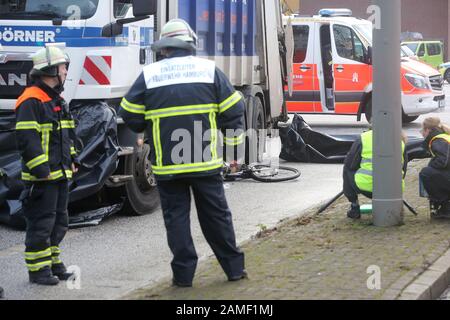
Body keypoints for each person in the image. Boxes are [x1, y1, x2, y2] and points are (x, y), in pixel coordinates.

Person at [119, 19, 246, 287]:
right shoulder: (209, 70)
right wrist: (232, 147)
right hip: (205, 162)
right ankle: (234, 269)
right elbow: (234, 109)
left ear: (164, 47)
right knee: (216, 217)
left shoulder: (150, 74)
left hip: (168, 166)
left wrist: (147, 126)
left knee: (176, 221)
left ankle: (184, 277)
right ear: (190, 44)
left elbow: (127, 111)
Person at [15, 46, 78, 285]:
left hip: (58, 174)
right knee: (41, 224)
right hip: (42, 178)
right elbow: (27, 140)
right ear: (51, 70)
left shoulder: (56, 99)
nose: (65, 72)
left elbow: (67, 136)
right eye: (63, 67)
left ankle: (53, 263)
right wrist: (41, 171)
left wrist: (73, 159)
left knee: (58, 222)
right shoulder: (31, 100)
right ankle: (38, 270)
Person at [343, 129, 408, 219]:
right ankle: (394, 206)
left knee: (347, 169)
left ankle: (354, 207)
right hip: (394, 190)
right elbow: (404, 168)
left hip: (368, 187)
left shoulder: (364, 138)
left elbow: (351, 164)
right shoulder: (400, 140)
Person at [419, 117, 450, 218]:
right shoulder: (444, 137)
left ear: (427, 130)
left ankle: (445, 205)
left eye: (422, 130)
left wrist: (430, 165)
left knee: (426, 173)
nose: (421, 133)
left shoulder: (438, 140)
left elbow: (443, 162)